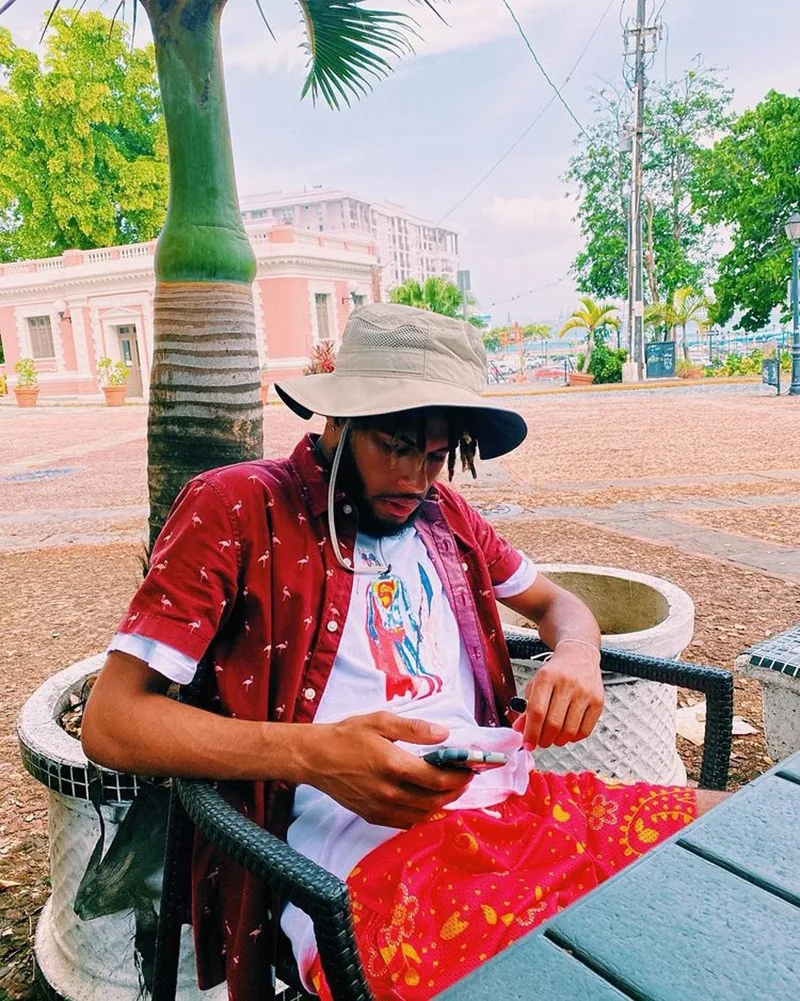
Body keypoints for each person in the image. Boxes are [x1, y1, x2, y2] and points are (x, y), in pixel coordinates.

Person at [82, 305, 724, 1001]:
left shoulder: (446, 517)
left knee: (734, 842)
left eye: (437, 455)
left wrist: (576, 653)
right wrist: (315, 755)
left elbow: (559, 606)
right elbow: (113, 722)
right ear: (339, 419)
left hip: (518, 811)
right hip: (358, 870)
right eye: (395, 445)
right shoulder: (236, 507)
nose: (416, 478)